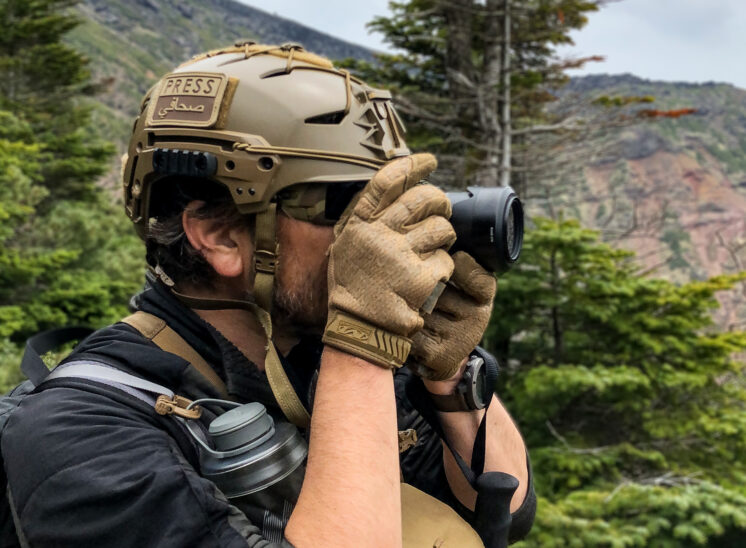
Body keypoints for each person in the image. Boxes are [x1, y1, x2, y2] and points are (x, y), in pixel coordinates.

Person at [1, 42, 535, 547]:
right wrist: (363, 345)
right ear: (220, 237)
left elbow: (504, 511)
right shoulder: (80, 435)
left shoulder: (328, 362)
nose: (383, 236)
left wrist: (449, 376)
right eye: (347, 205)